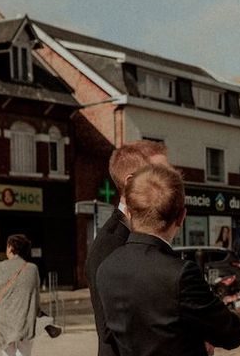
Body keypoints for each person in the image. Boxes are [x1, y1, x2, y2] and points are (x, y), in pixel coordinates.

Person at [96, 164, 240, 356]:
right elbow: (232, 334)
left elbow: (108, 334)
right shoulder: (180, 274)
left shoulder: (107, 267)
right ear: (181, 217)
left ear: (130, 213)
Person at [85, 140, 169, 356]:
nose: (170, 184)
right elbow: (109, 329)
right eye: (159, 175)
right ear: (130, 182)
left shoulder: (152, 233)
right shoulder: (109, 244)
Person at [0, 234, 40, 356]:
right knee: (24, 353)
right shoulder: (32, 269)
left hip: (3, 320)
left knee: (7, 353)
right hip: (25, 320)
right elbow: (36, 296)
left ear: (10, 248)